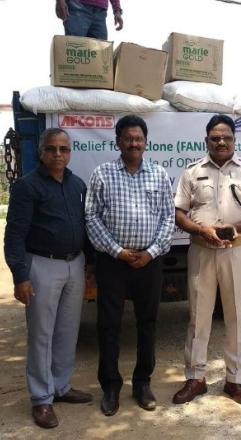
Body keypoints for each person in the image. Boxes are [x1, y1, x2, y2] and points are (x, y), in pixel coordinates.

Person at [172, 114, 241, 405]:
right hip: (201, 250)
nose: (221, 141)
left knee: (236, 317)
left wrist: (235, 229)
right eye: (215, 137)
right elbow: (179, 214)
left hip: (236, 251)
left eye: (226, 136)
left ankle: (235, 381)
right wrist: (202, 229)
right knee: (198, 316)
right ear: (207, 141)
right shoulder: (192, 172)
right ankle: (195, 378)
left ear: (234, 140)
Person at [85, 115, 174, 416]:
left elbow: (168, 218)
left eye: (139, 138)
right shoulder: (102, 174)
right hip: (113, 262)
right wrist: (117, 251)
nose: (134, 143)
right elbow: (92, 217)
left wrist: (150, 252)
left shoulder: (159, 175)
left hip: (149, 262)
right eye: (128, 138)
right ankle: (110, 387)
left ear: (146, 142)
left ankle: (142, 383)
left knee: (147, 324)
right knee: (108, 325)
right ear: (118, 142)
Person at [4, 128, 93, 429]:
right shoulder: (27, 187)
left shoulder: (77, 185)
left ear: (70, 152)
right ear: (42, 151)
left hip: (74, 264)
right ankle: (42, 398)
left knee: (67, 331)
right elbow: (14, 235)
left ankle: (61, 386)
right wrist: (20, 276)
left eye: (64, 149)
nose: (58, 154)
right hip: (42, 265)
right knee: (41, 334)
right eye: (52, 149)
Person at [55, 0, 123, 40]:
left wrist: (117, 10)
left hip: (100, 13)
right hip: (77, 6)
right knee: (74, 51)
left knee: (100, 57)